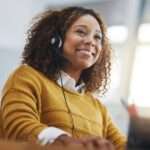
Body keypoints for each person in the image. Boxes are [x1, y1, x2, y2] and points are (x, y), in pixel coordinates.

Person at [0, 6, 126, 149]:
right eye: (81, 32)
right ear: (55, 39)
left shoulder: (98, 107)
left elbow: (122, 146)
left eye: (97, 37)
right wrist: (64, 140)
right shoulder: (27, 77)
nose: (91, 41)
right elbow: (18, 126)